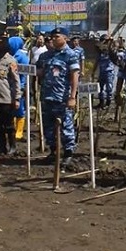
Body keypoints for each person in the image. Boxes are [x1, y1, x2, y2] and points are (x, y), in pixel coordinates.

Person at [37, 27, 79, 170]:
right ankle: (53, 151)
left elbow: (74, 77)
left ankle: (68, 153)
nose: (53, 39)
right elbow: (39, 72)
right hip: (47, 96)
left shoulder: (70, 55)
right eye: (52, 37)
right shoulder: (45, 56)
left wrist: (72, 97)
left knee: (66, 126)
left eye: (57, 37)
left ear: (65, 38)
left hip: (62, 97)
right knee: (48, 127)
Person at [0, 38, 22, 155]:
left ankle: (12, 146)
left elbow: (16, 81)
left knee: (8, 125)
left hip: (5, 98)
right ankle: (1, 147)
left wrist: (16, 98)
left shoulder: (10, 61)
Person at [8, 36, 29, 141]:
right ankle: (13, 129)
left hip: (19, 85)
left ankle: (19, 132)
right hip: (8, 86)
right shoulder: (10, 54)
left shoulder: (21, 56)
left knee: (19, 109)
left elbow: (24, 72)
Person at [93, 34, 116, 109]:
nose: (105, 43)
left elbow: (116, 46)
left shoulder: (111, 50)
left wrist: (110, 41)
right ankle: (101, 102)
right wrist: (93, 71)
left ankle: (108, 103)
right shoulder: (100, 51)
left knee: (109, 88)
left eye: (105, 41)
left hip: (109, 72)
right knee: (100, 88)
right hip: (102, 72)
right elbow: (97, 61)